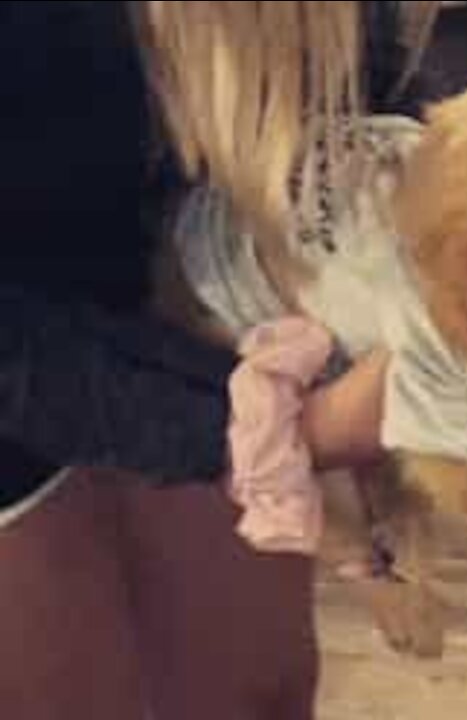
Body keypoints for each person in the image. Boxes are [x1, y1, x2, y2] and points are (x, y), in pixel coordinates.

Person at [0, 3, 439, 718]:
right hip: (27, 351)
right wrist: (279, 435)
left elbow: (361, 110)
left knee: (257, 696)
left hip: (172, 301)